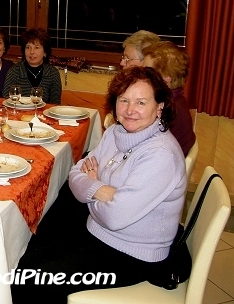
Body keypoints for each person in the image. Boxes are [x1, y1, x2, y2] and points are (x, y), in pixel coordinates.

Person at [11, 67, 186, 303]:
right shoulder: (115, 132)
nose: (130, 110)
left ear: (160, 107)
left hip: (133, 253)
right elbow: (75, 175)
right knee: (26, 262)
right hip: (97, 231)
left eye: (141, 102)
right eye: (123, 100)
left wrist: (92, 186)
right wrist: (103, 190)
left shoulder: (161, 154)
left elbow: (115, 217)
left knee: (36, 281)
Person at [142, 41, 195, 156]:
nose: (141, 76)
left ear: (166, 80)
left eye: (147, 72)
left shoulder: (168, 111)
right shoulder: (177, 101)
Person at [2, 28, 62, 104]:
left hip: (44, 111)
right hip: (18, 111)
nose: (31, 52)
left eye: (36, 47)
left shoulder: (52, 73)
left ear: (45, 52)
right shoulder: (14, 71)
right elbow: (6, 99)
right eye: (28, 47)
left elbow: (55, 104)